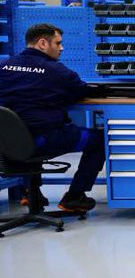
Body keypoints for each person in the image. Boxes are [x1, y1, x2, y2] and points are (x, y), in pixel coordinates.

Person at [0, 24, 105, 213]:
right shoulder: (56, 71)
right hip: (43, 139)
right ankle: (75, 197)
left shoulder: (3, 66)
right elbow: (80, 91)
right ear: (42, 43)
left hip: (7, 141)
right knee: (98, 140)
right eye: (58, 43)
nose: (61, 48)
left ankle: (30, 193)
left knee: (27, 131)